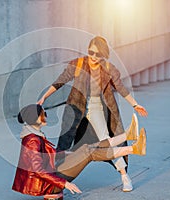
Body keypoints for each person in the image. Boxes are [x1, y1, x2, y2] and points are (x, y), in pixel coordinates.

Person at [37, 36, 148, 191]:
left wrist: (135, 105)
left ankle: (124, 175)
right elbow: (60, 81)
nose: (94, 57)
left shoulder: (108, 68)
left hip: (96, 106)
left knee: (105, 139)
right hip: (76, 107)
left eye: (98, 54)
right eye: (91, 52)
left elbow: (121, 88)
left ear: (103, 55)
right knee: (64, 141)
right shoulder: (78, 64)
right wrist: (44, 97)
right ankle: (55, 178)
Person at [12, 104, 146, 197]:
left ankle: (128, 136)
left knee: (86, 148)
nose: (45, 117)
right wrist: (64, 184)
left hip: (53, 171)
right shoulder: (32, 141)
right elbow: (38, 170)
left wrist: (66, 153)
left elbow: (46, 156)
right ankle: (134, 148)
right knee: (89, 152)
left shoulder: (34, 135)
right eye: (43, 115)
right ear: (34, 119)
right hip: (47, 184)